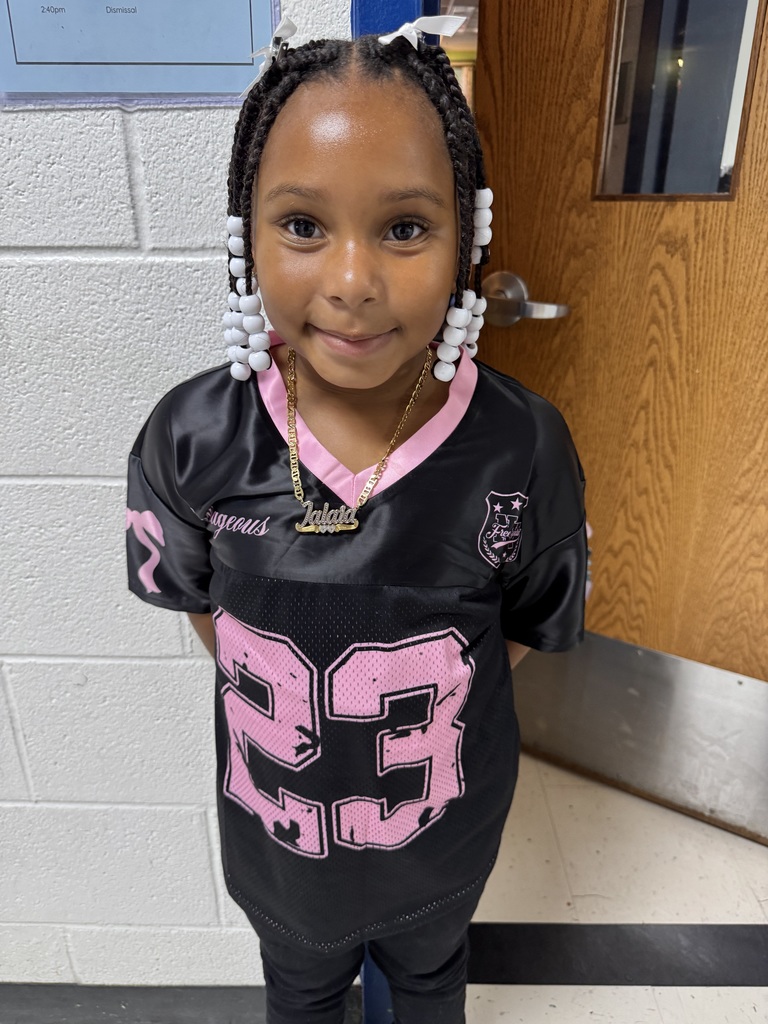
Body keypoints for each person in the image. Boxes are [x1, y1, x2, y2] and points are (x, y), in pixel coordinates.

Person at [126, 16, 587, 1024]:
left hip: (443, 838)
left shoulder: (522, 447)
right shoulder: (194, 437)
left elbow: (512, 633)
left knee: (430, 982)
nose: (349, 280)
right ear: (245, 229)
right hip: (281, 848)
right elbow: (209, 610)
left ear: (468, 233)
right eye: (302, 225)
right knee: (301, 994)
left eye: (404, 227)